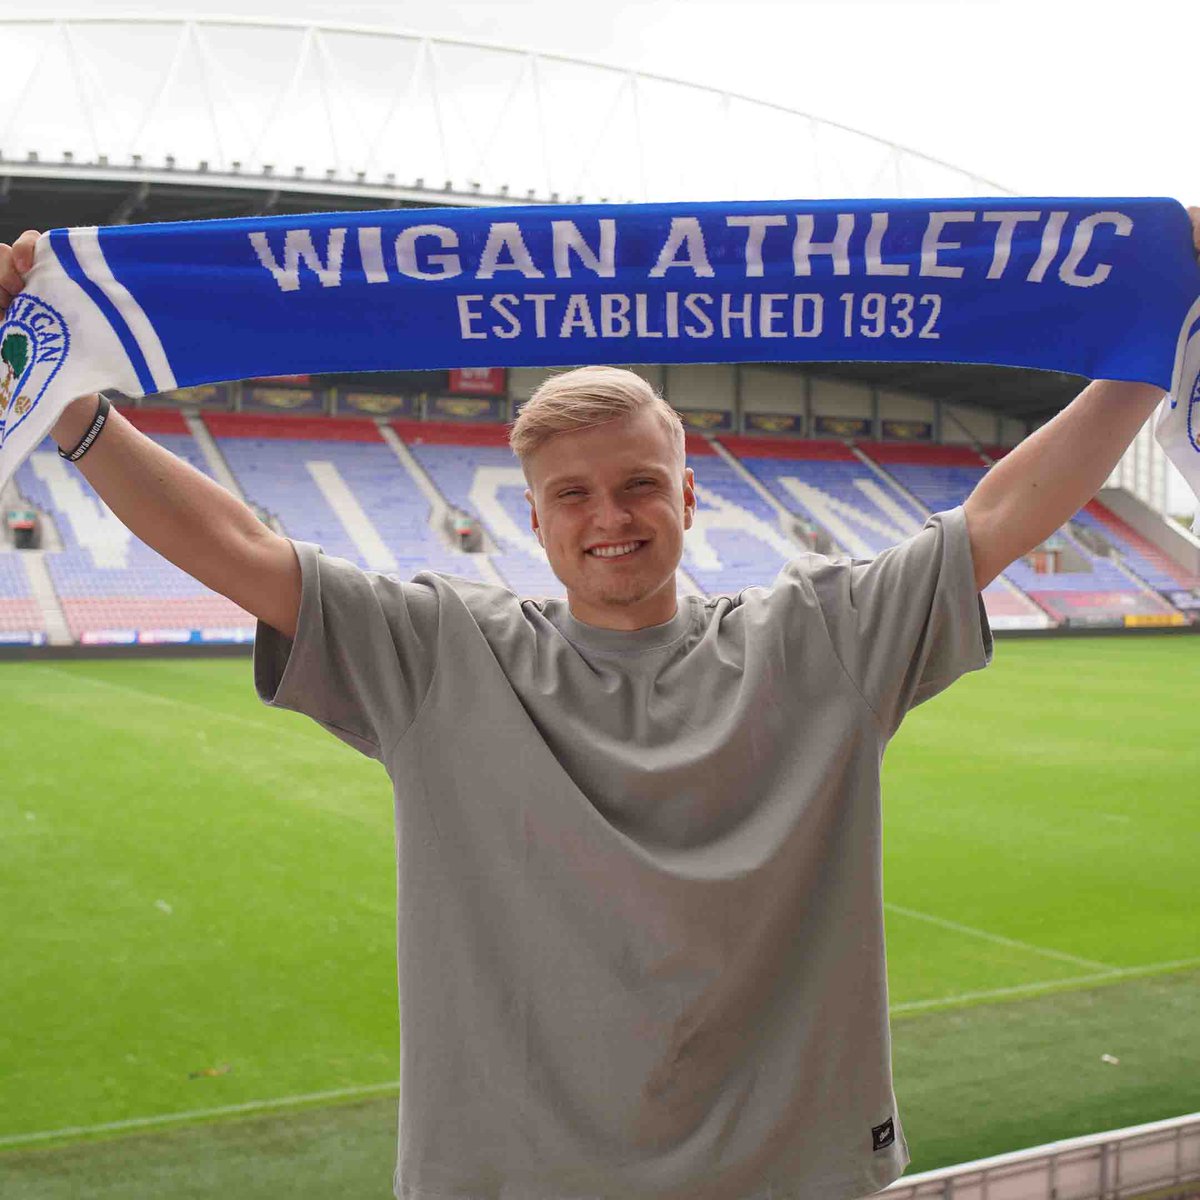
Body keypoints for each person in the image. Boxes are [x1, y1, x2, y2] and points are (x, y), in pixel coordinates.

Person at [2, 212, 1198, 1200]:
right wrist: (67, 400)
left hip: (788, 1179)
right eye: (571, 493)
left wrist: (1152, 328)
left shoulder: (822, 637)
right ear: (531, 518)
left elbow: (998, 514)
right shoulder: (439, 652)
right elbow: (241, 544)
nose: (609, 516)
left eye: (637, 484)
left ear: (690, 493)